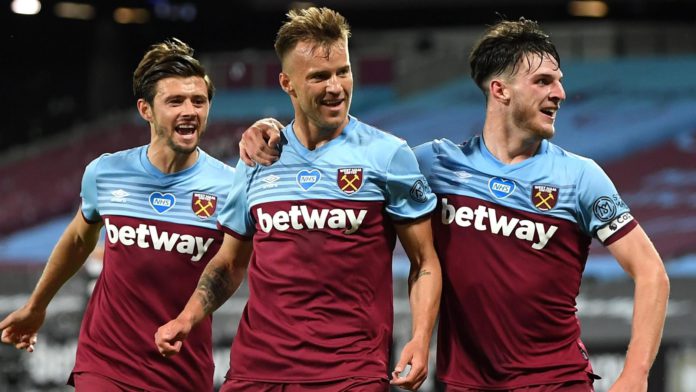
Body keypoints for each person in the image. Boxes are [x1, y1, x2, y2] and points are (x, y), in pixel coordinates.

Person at [239, 17, 670, 392]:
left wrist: (636, 373)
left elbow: (651, 272)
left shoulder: (581, 177)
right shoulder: (431, 165)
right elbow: (350, 154)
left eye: (558, 81)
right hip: (464, 381)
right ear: (499, 89)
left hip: (554, 379)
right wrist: (270, 129)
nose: (560, 93)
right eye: (543, 81)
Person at [155, 7, 442, 392]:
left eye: (343, 71)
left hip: (349, 374)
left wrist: (421, 339)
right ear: (287, 83)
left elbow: (424, 262)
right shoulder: (257, 157)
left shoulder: (388, 156)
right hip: (256, 372)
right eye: (320, 76)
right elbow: (228, 262)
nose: (336, 87)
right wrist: (186, 319)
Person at [0, 38, 235, 391]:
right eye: (175, 101)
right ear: (146, 109)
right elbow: (80, 238)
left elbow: (235, 265)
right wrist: (37, 306)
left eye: (198, 101)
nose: (190, 110)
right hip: (107, 362)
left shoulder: (230, 186)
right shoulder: (106, 172)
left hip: (182, 365)